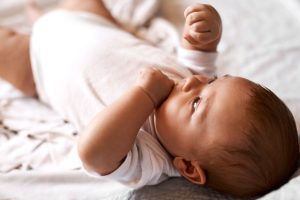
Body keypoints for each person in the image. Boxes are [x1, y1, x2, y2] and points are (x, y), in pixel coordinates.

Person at [0, 0, 298, 197]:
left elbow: (92, 154)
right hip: (95, 25)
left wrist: (144, 95)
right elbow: (199, 56)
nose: (195, 81)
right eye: (215, 81)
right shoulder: (190, 83)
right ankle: (42, 17)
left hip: (38, 64)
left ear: (188, 168)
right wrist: (207, 34)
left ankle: (38, 23)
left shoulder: (149, 158)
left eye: (197, 104)